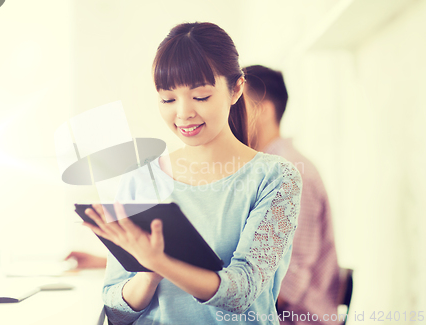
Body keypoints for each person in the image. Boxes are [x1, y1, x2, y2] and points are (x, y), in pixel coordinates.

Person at [83, 23, 302, 325]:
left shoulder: (276, 178)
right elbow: (116, 311)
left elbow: (243, 291)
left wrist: (163, 262)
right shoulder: (139, 179)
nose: (183, 113)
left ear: (236, 88)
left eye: (200, 96)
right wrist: (149, 274)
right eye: (168, 99)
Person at [242, 65, 341, 325]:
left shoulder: (291, 172)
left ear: (262, 111)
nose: (228, 119)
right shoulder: (263, 169)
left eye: (237, 107)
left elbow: (288, 284)